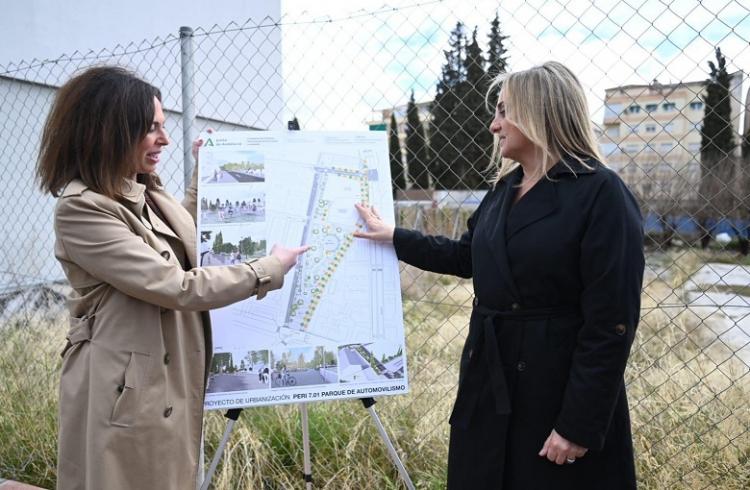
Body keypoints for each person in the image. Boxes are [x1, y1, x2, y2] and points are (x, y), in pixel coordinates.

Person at [355, 61, 644, 489]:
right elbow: (466, 256)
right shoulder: (504, 190)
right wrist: (394, 236)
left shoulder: (601, 193)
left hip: (555, 391)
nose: (494, 126)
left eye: (504, 111)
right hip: (489, 382)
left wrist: (578, 425)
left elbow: (611, 322)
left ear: (538, 112)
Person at [36, 66, 309, 490]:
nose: (164, 140)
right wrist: (266, 269)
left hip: (162, 373)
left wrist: (207, 172)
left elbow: (179, 240)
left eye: (163, 127)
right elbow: (175, 284)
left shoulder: (141, 190)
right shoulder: (83, 209)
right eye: (151, 129)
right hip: (126, 386)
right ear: (110, 130)